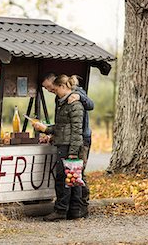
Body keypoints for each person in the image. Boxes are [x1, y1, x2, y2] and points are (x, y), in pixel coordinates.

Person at [33, 75, 85, 221]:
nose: (54, 93)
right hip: (64, 144)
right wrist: (46, 129)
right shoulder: (64, 103)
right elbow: (61, 127)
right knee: (72, 179)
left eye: (55, 90)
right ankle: (73, 210)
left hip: (69, 146)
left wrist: (73, 152)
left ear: (63, 87)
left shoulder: (74, 105)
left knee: (64, 179)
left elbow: (77, 130)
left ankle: (62, 210)